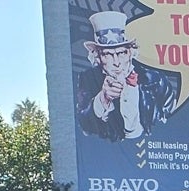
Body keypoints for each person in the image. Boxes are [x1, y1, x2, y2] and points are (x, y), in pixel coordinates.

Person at [75, 10, 178, 142]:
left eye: (121, 53)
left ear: (130, 52)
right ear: (98, 57)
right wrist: (103, 98)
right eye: (107, 54)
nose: (116, 62)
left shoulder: (156, 80)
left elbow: (173, 120)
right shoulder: (88, 79)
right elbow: (83, 126)